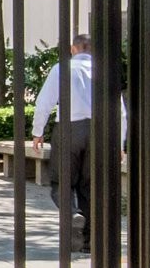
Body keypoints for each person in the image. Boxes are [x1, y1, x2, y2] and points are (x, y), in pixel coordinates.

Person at [29, 33, 98, 243]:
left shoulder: (62, 69)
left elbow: (44, 103)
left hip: (69, 129)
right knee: (89, 186)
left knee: (61, 183)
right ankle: (89, 241)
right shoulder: (103, 71)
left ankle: (72, 213)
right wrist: (120, 142)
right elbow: (119, 109)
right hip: (97, 131)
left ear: (73, 48)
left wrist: (37, 131)